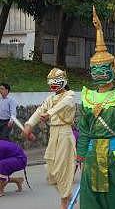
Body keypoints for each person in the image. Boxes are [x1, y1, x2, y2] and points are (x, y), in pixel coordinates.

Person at [76, 6, 115, 209]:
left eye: (104, 68)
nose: (99, 73)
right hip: (93, 156)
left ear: (114, 68)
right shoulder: (87, 97)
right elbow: (84, 129)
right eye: (95, 69)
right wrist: (81, 157)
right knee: (91, 201)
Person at [23, 68, 76, 209]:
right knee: (51, 171)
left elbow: (62, 105)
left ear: (64, 81)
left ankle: (64, 200)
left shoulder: (70, 95)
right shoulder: (50, 98)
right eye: (51, 82)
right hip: (53, 134)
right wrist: (29, 125)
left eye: (56, 82)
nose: (53, 85)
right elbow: (39, 111)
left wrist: (49, 113)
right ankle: (68, 195)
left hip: (65, 134)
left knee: (62, 169)